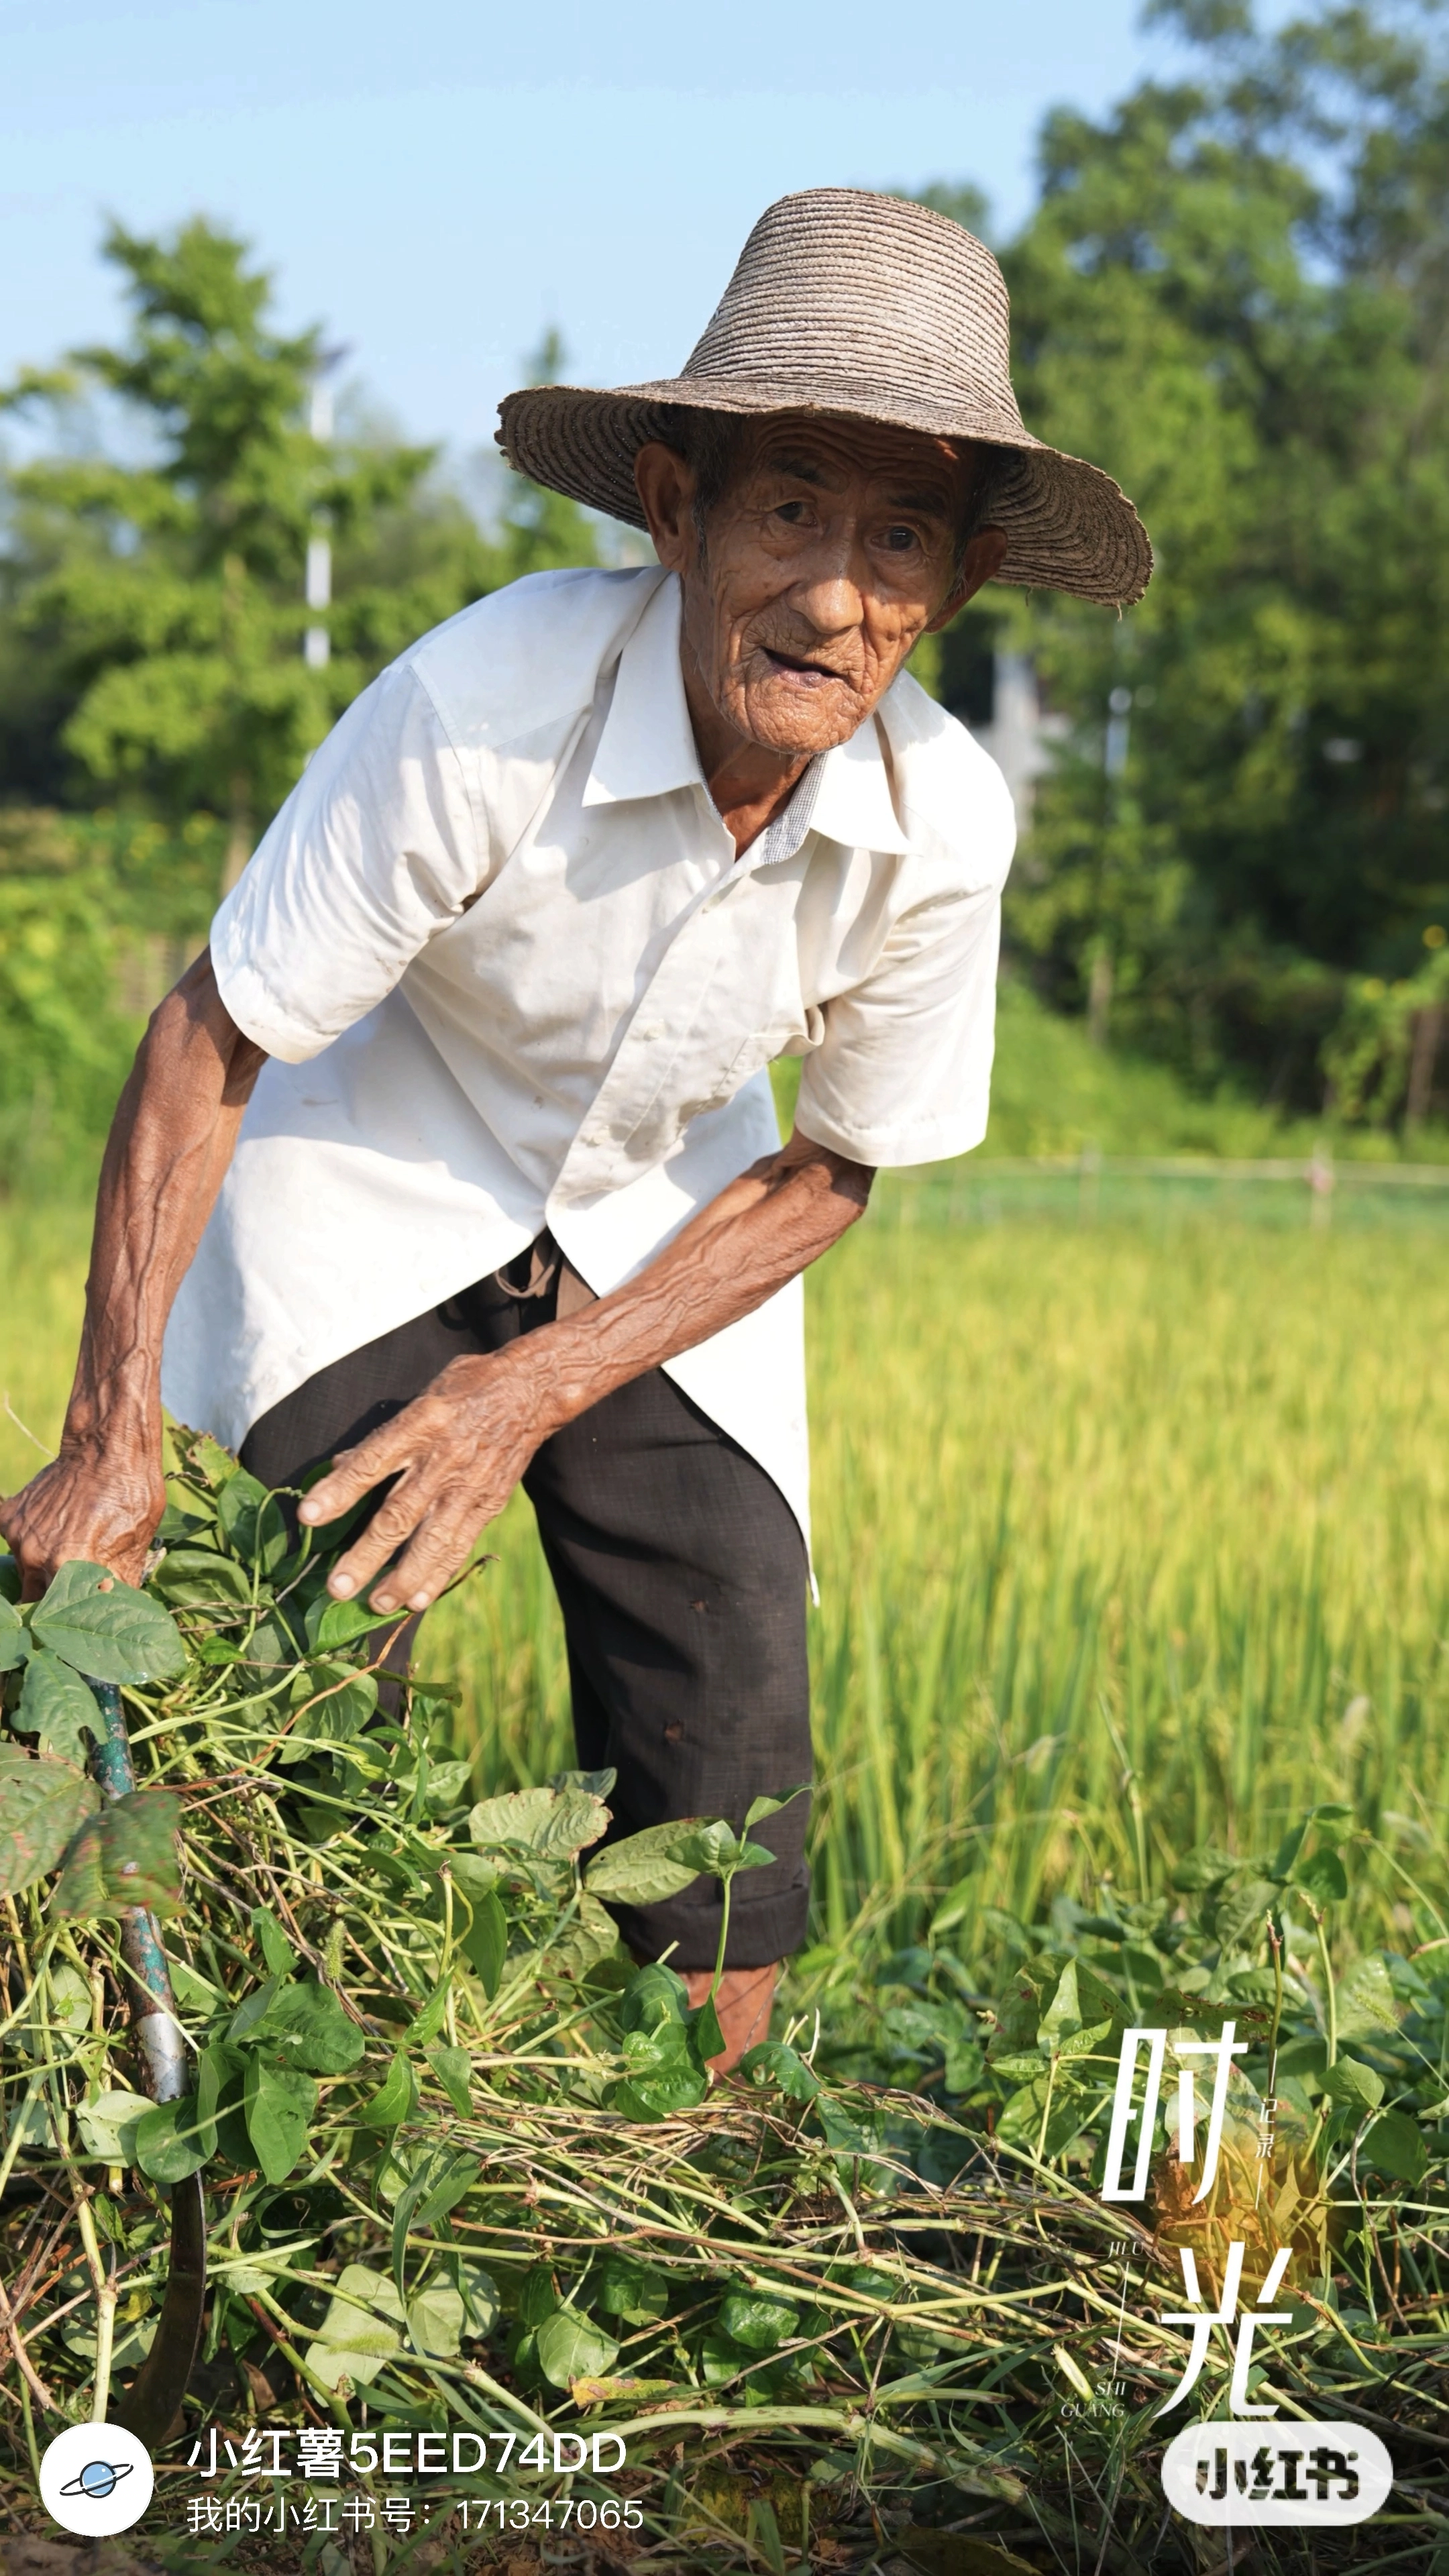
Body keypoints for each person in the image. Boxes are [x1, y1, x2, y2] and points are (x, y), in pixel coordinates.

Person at [1, 189, 1149, 2068]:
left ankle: (700, 2186)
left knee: (730, 1742)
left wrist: (533, 1386)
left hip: (658, 1225)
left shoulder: (947, 828)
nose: (836, 593)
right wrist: (105, 1434)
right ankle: (249, 2105)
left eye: (899, 535)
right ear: (677, 510)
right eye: (787, 508)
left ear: (955, 586)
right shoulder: (481, 706)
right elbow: (214, 1032)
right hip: (374, 1181)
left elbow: (827, 1168)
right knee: (278, 1675)